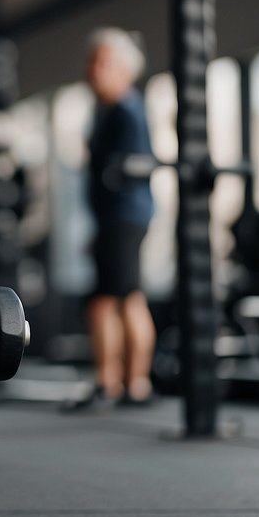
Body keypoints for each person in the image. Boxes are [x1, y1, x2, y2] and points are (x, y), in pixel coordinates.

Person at [69, 27, 156, 411]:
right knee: (123, 299)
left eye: (103, 62)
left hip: (125, 218)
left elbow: (132, 170)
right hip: (114, 220)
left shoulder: (126, 110)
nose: (94, 69)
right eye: (92, 61)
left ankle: (122, 383)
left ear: (124, 69)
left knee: (113, 302)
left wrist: (111, 227)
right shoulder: (106, 112)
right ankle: (125, 384)